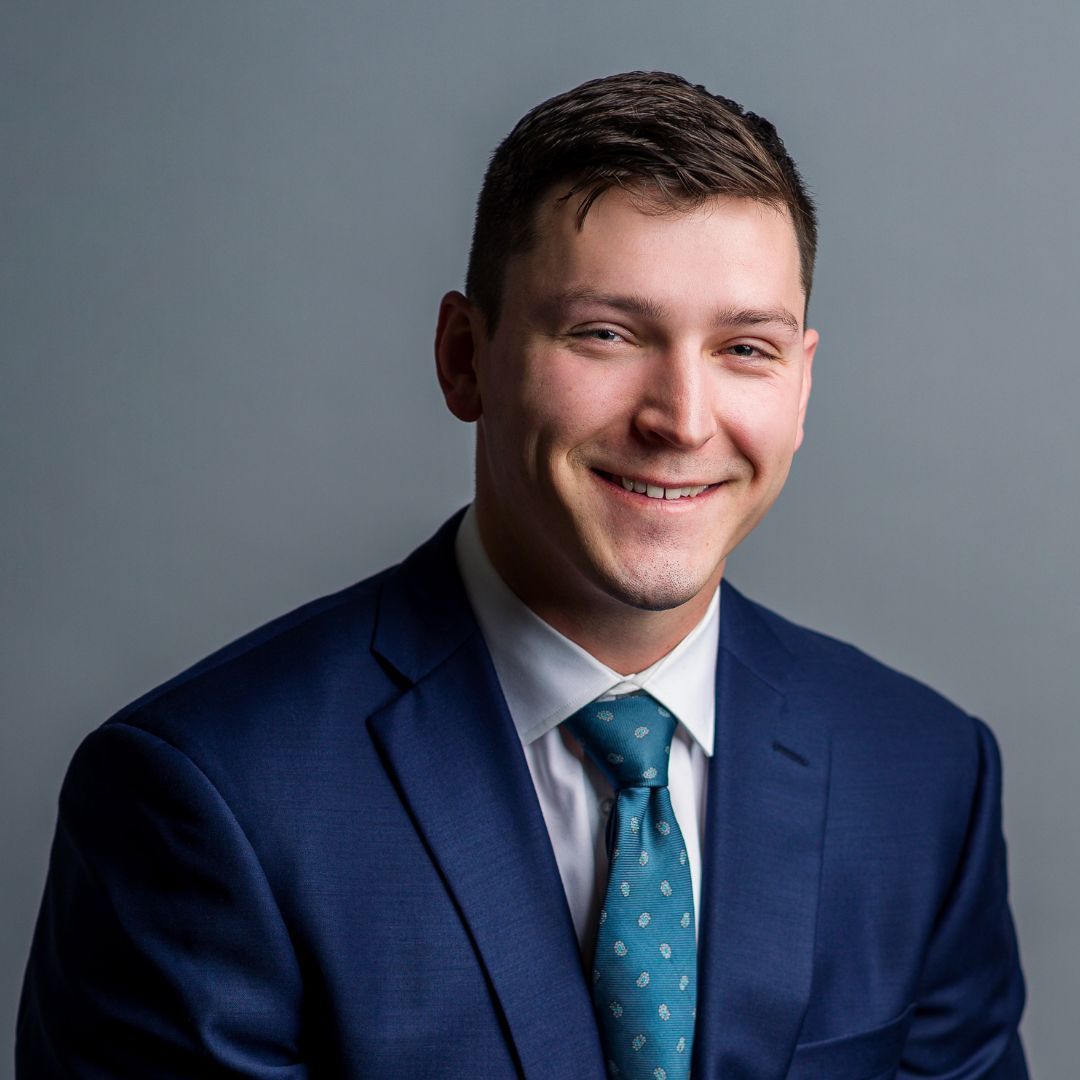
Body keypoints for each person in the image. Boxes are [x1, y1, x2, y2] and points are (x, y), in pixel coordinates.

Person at [17, 71, 1027, 1079]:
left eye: (744, 348)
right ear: (465, 356)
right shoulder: (205, 796)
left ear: (802, 385)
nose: (680, 417)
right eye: (606, 333)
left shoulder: (925, 780)